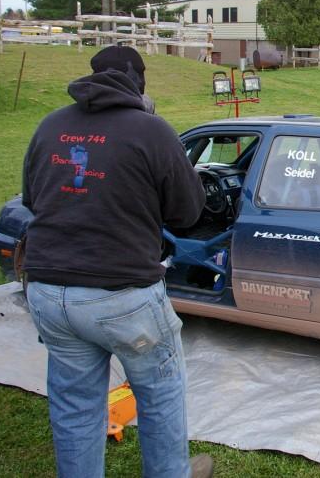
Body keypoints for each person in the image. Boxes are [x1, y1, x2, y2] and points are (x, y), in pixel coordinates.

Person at [21, 46, 213, 477]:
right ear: (138, 80)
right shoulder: (151, 130)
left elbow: (34, 200)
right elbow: (187, 213)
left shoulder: (50, 126)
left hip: (49, 293)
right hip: (123, 298)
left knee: (74, 406)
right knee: (160, 396)